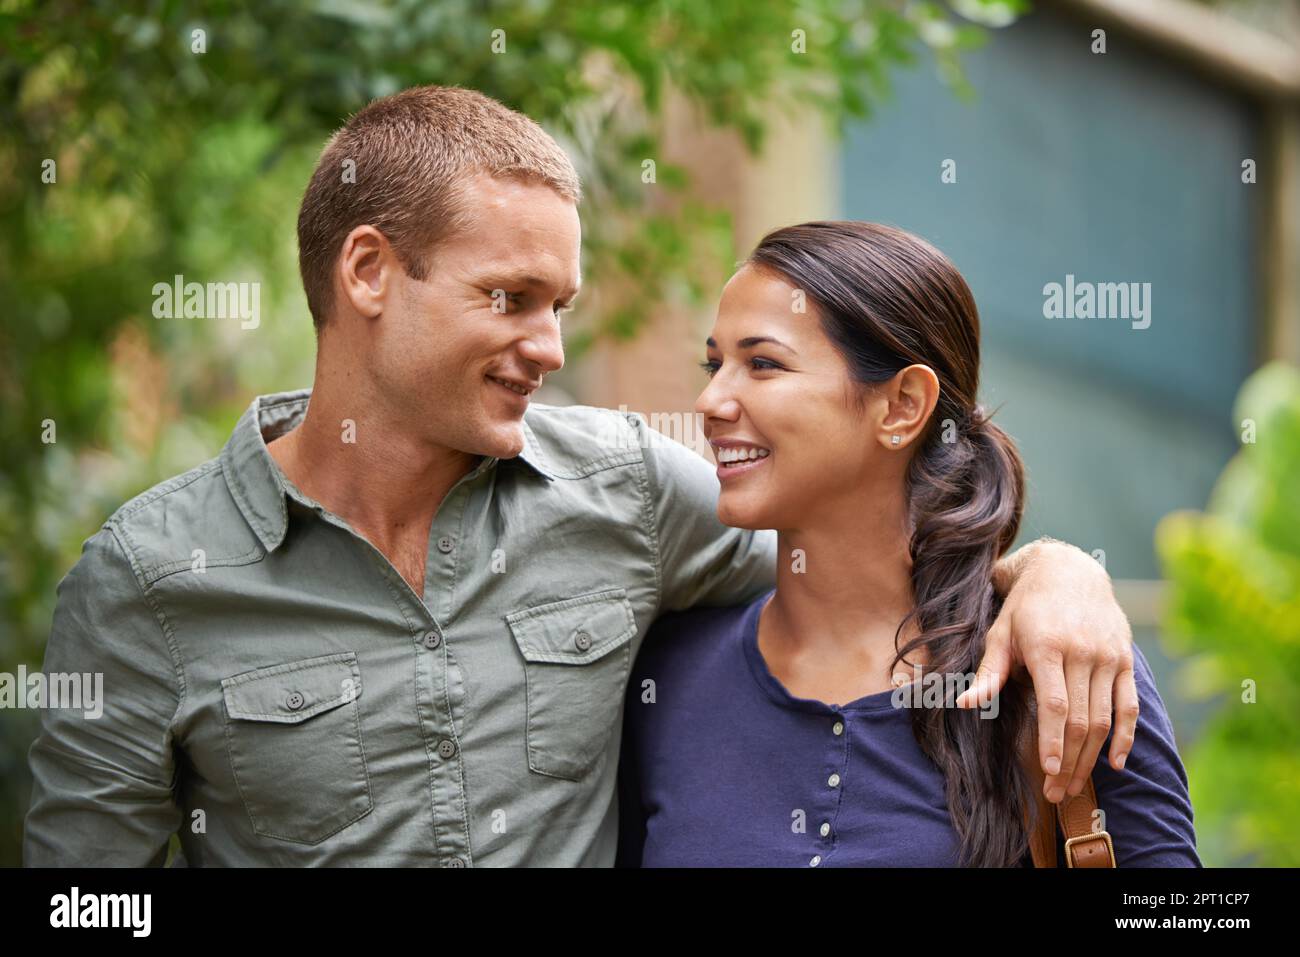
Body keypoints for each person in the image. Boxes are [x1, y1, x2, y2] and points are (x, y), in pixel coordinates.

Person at [27, 87, 1135, 867]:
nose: (550, 348)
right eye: (510, 299)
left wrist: (1054, 575)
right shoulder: (149, 582)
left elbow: (870, 553)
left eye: (561, 306)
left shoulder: (630, 492)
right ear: (368, 272)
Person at [616, 222, 1200, 867]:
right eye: (714, 363)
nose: (711, 400)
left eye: (762, 364)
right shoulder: (667, 673)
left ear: (901, 406)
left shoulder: (1058, 667)